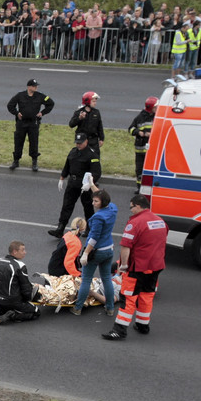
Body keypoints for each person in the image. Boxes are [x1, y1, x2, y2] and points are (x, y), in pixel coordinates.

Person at [103, 194, 168, 341]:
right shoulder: (160, 221)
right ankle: (142, 325)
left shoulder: (135, 223)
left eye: (131, 207)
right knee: (146, 295)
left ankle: (119, 330)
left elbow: (126, 246)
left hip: (138, 267)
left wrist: (124, 265)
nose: (130, 210)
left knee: (128, 298)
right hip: (155, 266)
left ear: (138, 206)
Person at [72, 189, 117, 317]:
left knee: (86, 279)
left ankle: (78, 308)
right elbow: (103, 195)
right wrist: (92, 184)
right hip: (109, 249)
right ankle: (110, 308)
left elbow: (94, 238)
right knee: (107, 278)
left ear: (103, 202)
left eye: (96, 201)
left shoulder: (98, 217)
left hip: (96, 251)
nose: (93, 203)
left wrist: (85, 253)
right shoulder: (113, 209)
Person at [48, 133, 101, 237]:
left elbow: (96, 172)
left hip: (84, 185)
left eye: (80, 143)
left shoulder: (92, 155)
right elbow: (67, 165)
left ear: (86, 141)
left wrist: (90, 184)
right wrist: (62, 177)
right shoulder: (73, 152)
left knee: (88, 207)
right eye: (77, 143)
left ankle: (89, 229)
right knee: (67, 205)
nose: (78, 145)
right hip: (72, 183)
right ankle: (60, 228)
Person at [7, 79, 55, 172]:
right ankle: (16, 161)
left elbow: (51, 103)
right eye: (34, 86)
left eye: (36, 86)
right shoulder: (20, 95)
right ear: (29, 87)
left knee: (34, 142)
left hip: (33, 123)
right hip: (22, 123)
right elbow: (10, 105)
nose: (36, 87)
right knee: (18, 141)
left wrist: (42, 113)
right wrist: (16, 113)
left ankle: (34, 161)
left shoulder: (40, 96)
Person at [0, 241, 40, 325]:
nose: (25, 252)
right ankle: (12, 315)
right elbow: (26, 289)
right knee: (36, 312)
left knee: (6, 302)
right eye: (23, 250)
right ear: (15, 252)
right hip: (13, 301)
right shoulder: (20, 266)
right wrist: (30, 298)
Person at [129, 97, 157, 188]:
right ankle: (139, 187)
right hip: (140, 150)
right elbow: (131, 129)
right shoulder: (140, 117)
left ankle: (148, 187)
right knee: (139, 170)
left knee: (150, 170)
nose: (157, 109)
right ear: (150, 107)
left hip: (151, 149)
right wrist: (139, 133)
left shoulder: (156, 117)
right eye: (155, 107)